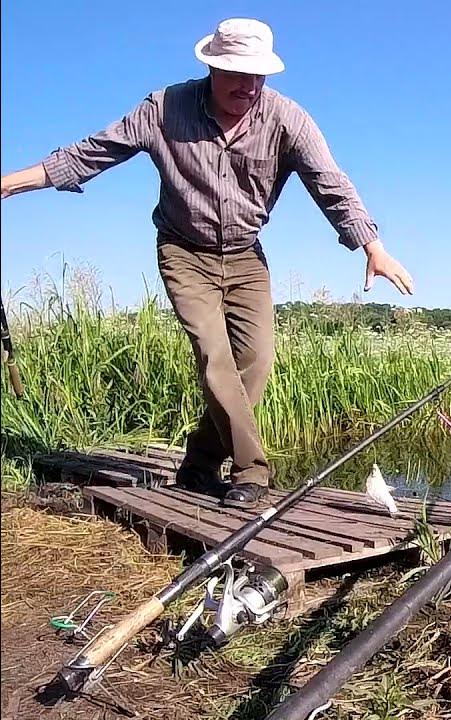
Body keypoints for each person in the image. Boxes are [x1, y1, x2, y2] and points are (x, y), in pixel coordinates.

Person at [0, 18, 415, 508]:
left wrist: (372, 246)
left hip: (245, 255)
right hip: (183, 251)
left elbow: (331, 184)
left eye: (258, 75)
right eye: (237, 72)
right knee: (215, 359)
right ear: (211, 66)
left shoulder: (287, 120)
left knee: (255, 363)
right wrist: (8, 184)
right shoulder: (164, 109)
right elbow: (92, 153)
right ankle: (253, 472)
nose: (249, 85)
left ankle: (198, 466)